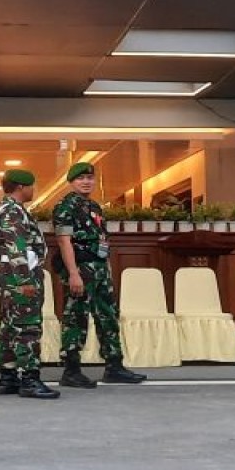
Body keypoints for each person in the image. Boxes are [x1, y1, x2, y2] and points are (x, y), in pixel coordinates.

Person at [53, 162, 146, 389]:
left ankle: (114, 366)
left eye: (90, 178)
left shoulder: (95, 207)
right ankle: (71, 370)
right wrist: (74, 274)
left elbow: (102, 240)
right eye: (80, 178)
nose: (86, 182)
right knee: (76, 317)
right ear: (71, 182)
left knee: (108, 315)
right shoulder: (65, 207)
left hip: (100, 268)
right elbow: (64, 241)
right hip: (81, 268)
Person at [0, 169, 59, 399]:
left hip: (10, 273)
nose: (33, 190)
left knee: (10, 326)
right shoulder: (12, 211)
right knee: (28, 327)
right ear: (21, 187)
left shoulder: (10, 209)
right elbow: (16, 246)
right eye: (31, 186)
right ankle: (30, 379)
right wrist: (24, 279)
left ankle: (8, 378)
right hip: (19, 274)